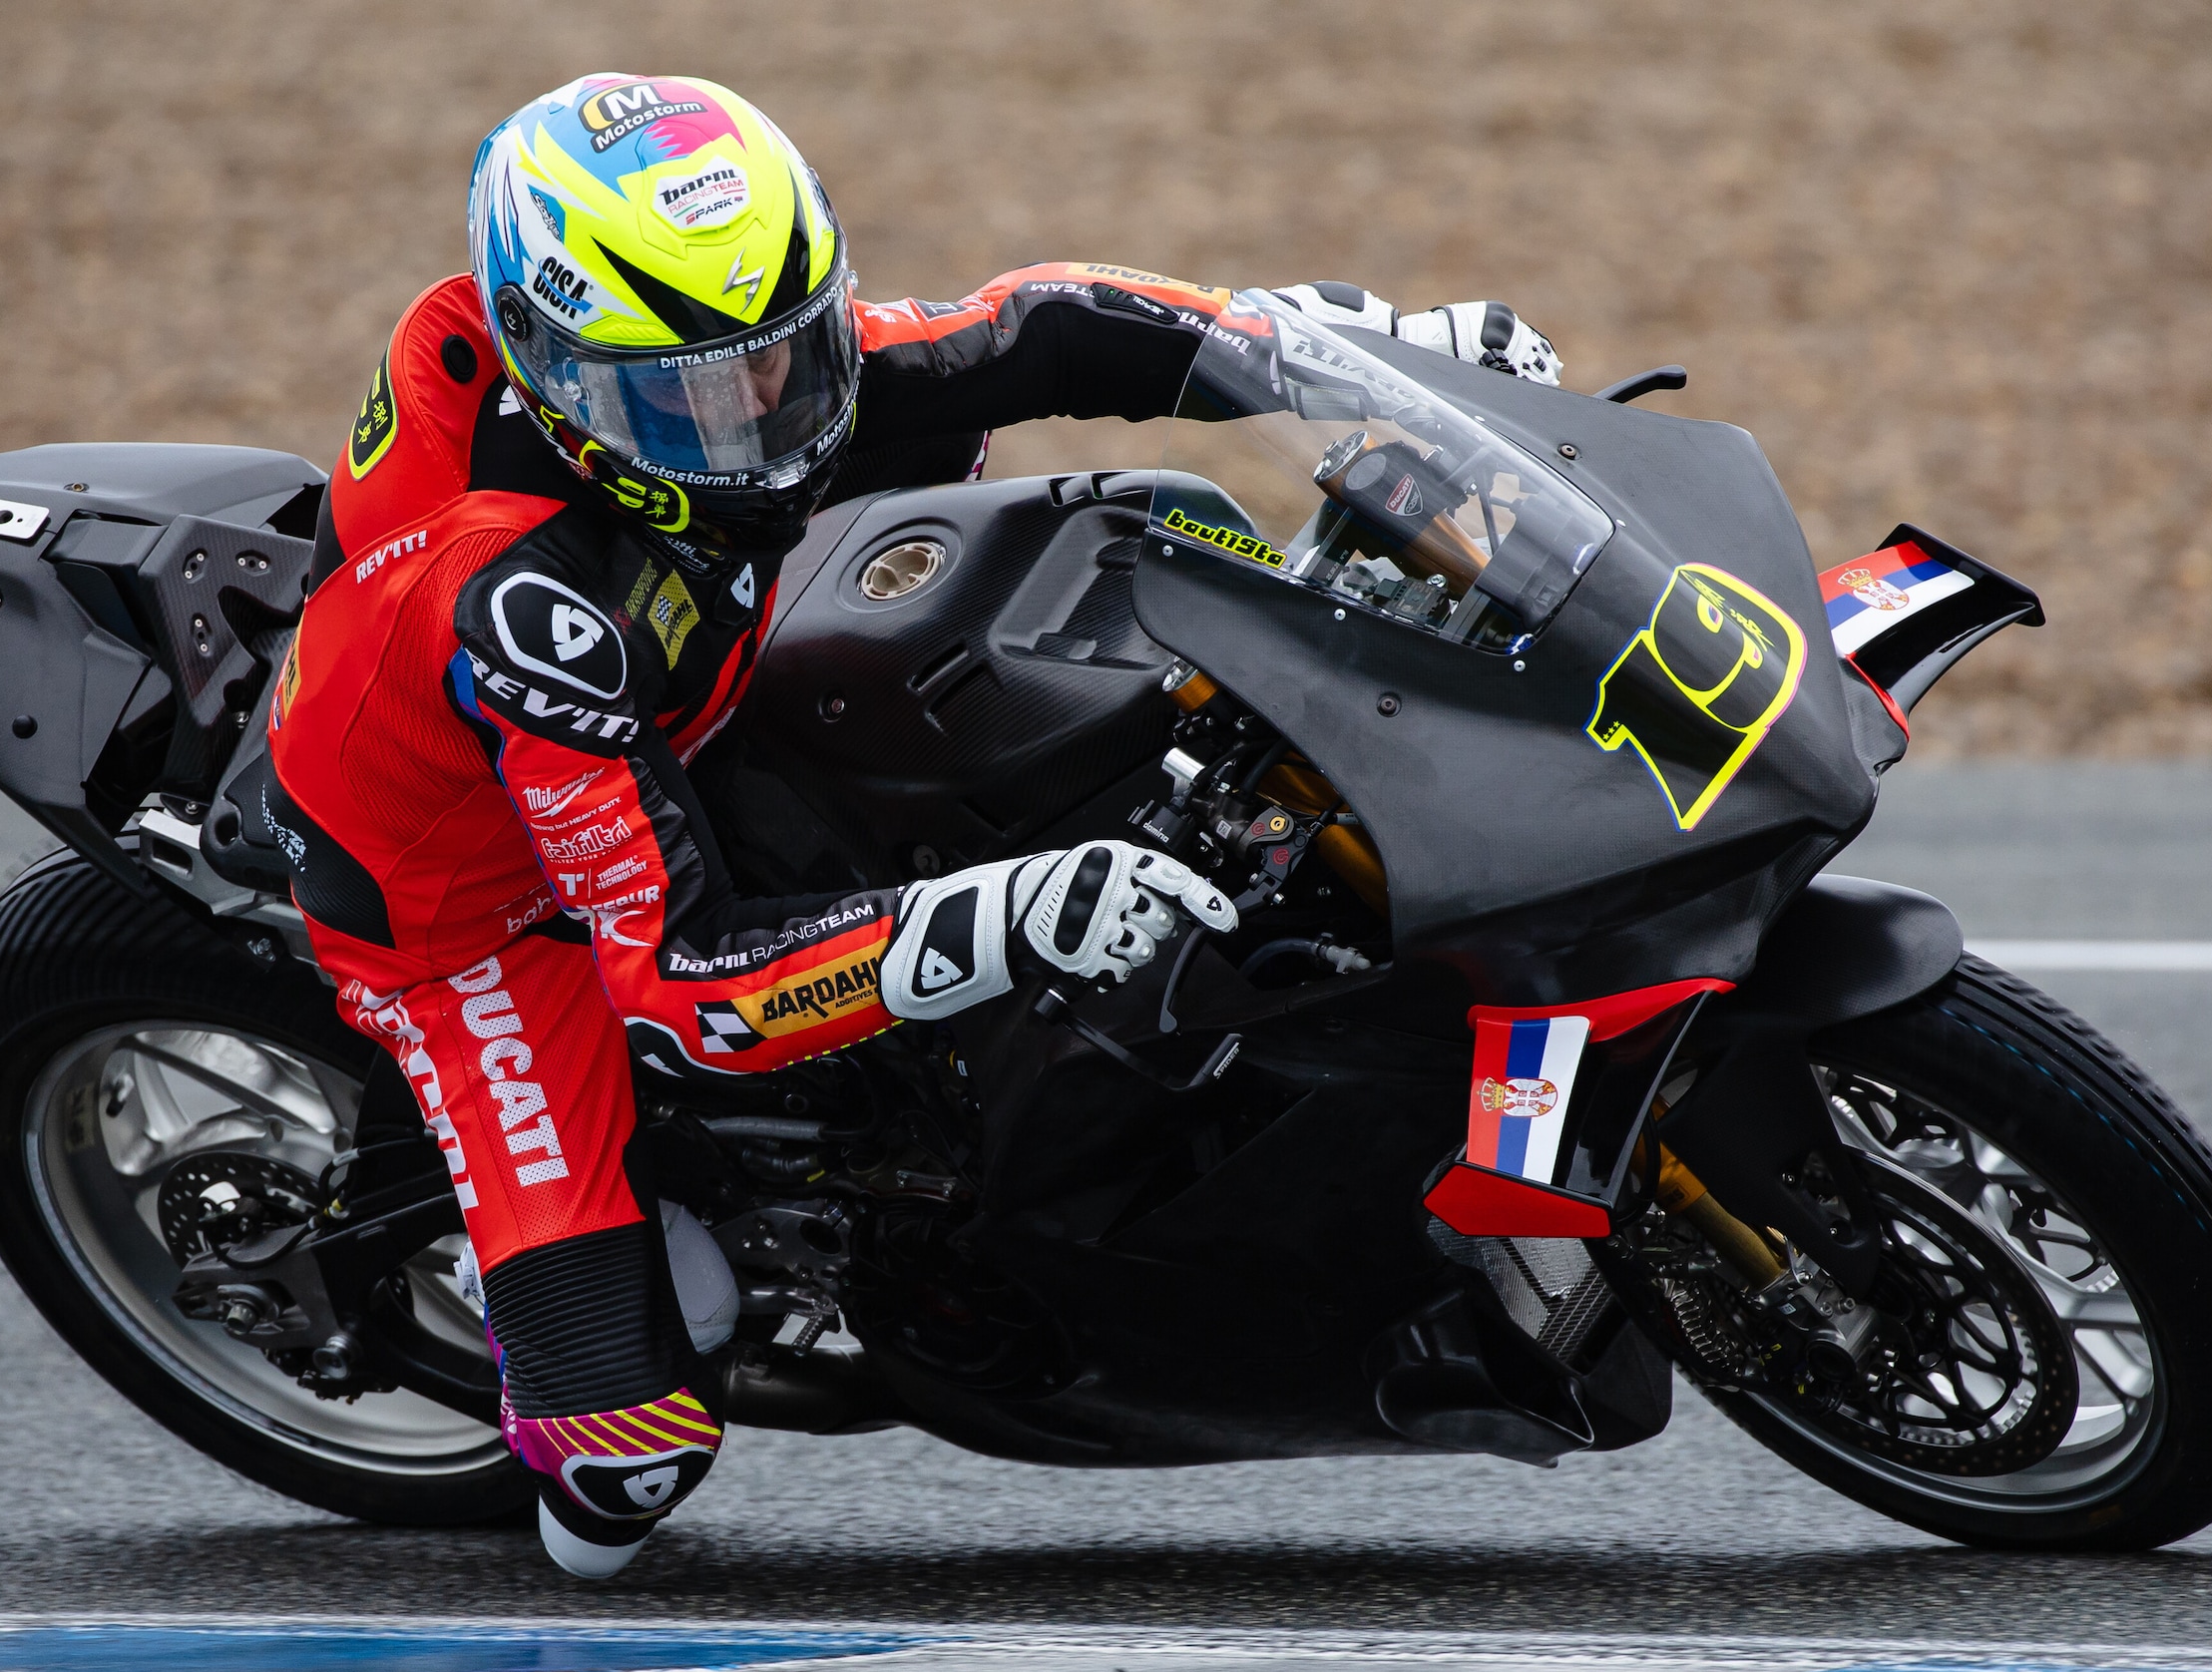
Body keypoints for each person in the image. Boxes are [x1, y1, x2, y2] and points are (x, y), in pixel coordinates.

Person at [265, 73, 1562, 1578]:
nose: (762, 424)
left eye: (789, 359)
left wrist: (1376, 356)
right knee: (618, 1481)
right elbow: (682, 987)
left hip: (668, 698)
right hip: (470, 916)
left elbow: (1043, 325)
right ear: (564, 378)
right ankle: (580, 1307)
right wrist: (1022, 913)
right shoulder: (523, 607)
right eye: (696, 397)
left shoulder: (701, 375)